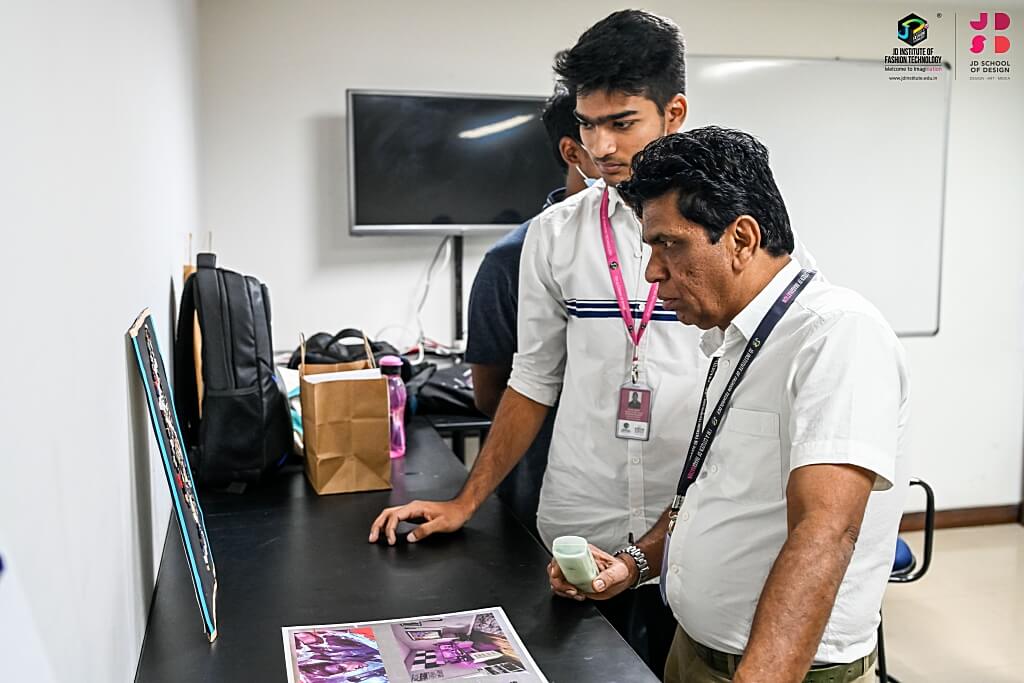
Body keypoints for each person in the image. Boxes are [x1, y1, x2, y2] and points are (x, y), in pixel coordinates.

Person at [370, 10, 818, 675]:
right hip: (579, 522)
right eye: (587, 124)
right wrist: (467, 500)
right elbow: (531, 379)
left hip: (692, 531)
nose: (601, 146)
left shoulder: (738, 237)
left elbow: (781, 371)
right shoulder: (554, 236)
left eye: (621, 123)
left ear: (674, 112)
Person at [549, 127, 910, 683]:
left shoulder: (836, 335)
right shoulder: (733, 342)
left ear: (741, 238)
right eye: (650, 248)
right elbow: (714, 494)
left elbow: (826, 529)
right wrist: (635, 564)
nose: (652, 271)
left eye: (670, 244)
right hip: (698, 652)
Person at [463, 87, 600, 536]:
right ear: (572, 150)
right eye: (604, 128)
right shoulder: (512, 259)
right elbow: (488, 395)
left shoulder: (657, 244)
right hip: (543, 479)